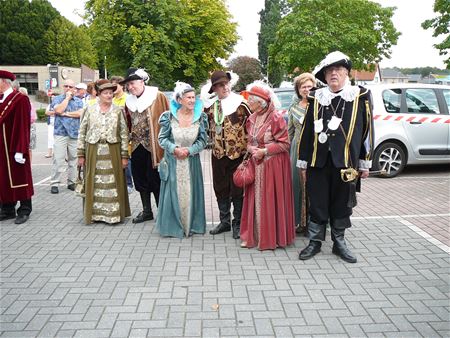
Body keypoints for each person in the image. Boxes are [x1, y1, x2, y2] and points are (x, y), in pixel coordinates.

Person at [297, 51, 374, 263]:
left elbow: (366, 130)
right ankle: (314, 242)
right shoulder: (316, 97)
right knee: (317, 202)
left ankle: (339, 243)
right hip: (318, 160)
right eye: (329, 70)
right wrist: (303, 160)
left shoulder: (360, 95)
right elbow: (306, 131)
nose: (333, 74)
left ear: (346, 73)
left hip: (346, 162)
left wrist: (364, 161)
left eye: (338, 70)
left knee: (342, 202)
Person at [240, 81, 296, 250]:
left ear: (261, 102)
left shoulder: (276, 118)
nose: (248, 102)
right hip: (256, 165)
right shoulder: (252, 118)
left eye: (251, 100)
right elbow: (249, 141)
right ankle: (255, 235)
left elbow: (285, 144)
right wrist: (250, 148)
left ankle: (272, 237)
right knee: (255, 199)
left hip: (273, 167)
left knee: (270, 199)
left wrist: (264, 151)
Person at [202, 70, 251, 239]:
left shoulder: (242, 105)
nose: (224, 88)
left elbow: (252, 129)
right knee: (220, 187)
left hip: (238, 155)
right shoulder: (212, 107)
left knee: (238, 189)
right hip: (218, 155)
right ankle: (225, 221)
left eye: (226, 84)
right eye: (220, 85)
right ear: (214, 88)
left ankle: (238, 222)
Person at [157, 82, 208, 238]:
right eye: (189, 98)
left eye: (194, 97)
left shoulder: (201, 117)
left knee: (192, 192)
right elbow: (162, 138)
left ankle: (192, 225)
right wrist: (175, 149)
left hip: (191, 162)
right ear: (179, 100)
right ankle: (173, 226)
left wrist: (189, 150)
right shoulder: (168, 117)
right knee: (173, 193)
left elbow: (203, 141)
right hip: (173, 161)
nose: (192, 100)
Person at [77, 80, 131, 224]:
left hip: (112, 150)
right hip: (93, 150)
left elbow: (124, 134)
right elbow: (82, 132)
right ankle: (94, 215)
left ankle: (113, 214)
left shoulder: (118, 110)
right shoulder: (89, 109)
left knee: (114, 181)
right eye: (106, 93)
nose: (109, 95)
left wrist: (125, 156)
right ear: (98, 94)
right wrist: (80, 154)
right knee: (93, 181)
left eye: (111, 93)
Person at [121, 68, 169, 223]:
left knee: (155, 179)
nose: (130, 87)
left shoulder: (157, 96)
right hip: (136, 145)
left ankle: (162, 211)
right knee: (140, 179)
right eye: (128, 85)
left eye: (133, 83)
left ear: (142, 82)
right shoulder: (129, 101)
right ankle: (147, 211)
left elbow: (168, 118)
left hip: (154, 146)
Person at [0, 70, 34, 224]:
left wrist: (20, 149)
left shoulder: (20, 99)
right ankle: (7, 209)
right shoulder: (1, 99)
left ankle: (25, 209)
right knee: (3, 179)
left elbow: (22, 126)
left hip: (14, 147)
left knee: (20, 176)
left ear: (4, 82)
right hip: (1, 148)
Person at [287, 73, 316, 234]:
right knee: (297, 186)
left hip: (315, 151)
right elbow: (289, 132)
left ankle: (315, 222)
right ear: (298, 90)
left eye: (309, 86)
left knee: (314, 187)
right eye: (303, 87)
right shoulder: (294, 108)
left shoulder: (319, 105)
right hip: (296, 150)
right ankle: (300, 222)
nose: (306, 89)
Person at [49, 79, 84, 194]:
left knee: (73, 160)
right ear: (63, 87)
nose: (68, 88)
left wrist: (65, 114)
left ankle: (71, 182)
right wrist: (67, 98)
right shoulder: (57, 99)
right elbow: (58, 110)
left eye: (71, 86)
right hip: (61, 133)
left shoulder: (79, 101)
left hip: (74, 133)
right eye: (66, 86)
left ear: (75, 89)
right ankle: (55, 183)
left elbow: (80, 113)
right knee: (58, 159)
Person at [111, 75, 134, 194]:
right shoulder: (111, 99)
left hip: (125, 133)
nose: (113, 88)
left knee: (126, 158)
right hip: (113, 133)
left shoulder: (128, 99)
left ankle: (129, 183)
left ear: (122, 86)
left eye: (116, 85)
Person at [18, 87, 37, 163]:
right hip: (21, 128)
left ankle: (28, 165)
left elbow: (32, 118)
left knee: (28, 148)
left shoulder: (29, 104)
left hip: (29, 128)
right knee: (20, 148)